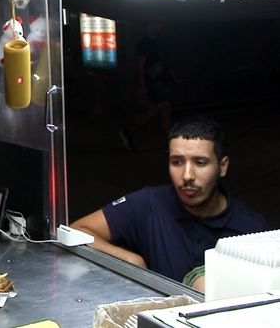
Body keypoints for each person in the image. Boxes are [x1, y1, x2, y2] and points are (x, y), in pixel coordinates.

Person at [72, 116, 269, 283]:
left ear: (223, 166)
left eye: (200, 163)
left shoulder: (252, 230)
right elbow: (77, 231)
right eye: (177, 162)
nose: (187, 175)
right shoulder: (148, 204)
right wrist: (131, 263)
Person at [119, 23, 177, 152]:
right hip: (153, 81)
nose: (160, 26)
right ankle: (167, 143)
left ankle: (128, 131)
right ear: (149, 26)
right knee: (165, 108)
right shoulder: (145, 43)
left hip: (158, 80)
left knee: (156, 110)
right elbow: (140, 64)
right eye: (157, 24)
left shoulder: (157, 41)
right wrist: (142, 85)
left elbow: (162, 61)